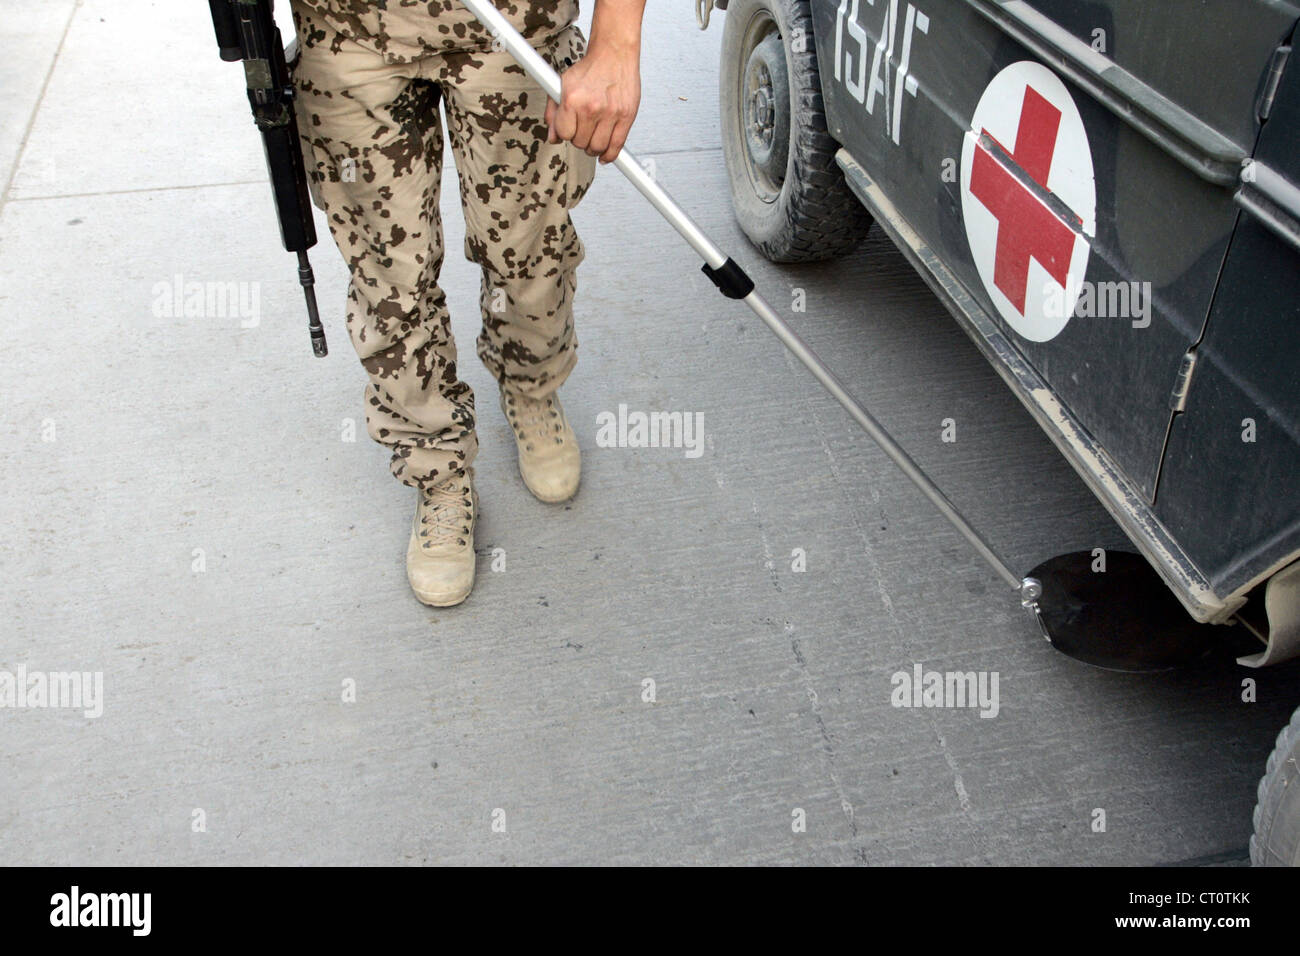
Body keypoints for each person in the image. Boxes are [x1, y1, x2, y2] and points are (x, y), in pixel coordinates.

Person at [289, 0, 646, 606]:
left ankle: (531, 388)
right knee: (389, 281)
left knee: (530, 248)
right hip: (349, 31)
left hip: (515, 22)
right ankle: (438, 469)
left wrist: (617, 41)